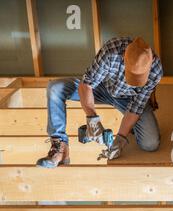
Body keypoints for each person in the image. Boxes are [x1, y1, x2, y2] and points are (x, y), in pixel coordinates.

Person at [36, 36, 163, 168]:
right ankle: (60, 146)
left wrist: (120, 139)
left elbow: (136, 107)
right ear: (124, 56)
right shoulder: (111, 51)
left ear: (152, 61)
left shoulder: (156, 71)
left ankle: (133, 130)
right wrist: (92, 119)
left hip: (129, 99)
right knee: (55, 88)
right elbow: (87, 84)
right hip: (101, 89)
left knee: (151, 143)